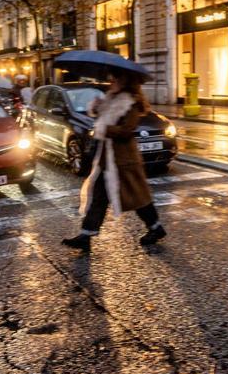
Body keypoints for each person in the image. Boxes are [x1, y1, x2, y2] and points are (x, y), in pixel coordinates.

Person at [62, 69, 168, 250]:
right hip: (108, 158)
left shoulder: (130, 103)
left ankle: (155, 228)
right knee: (99, 197)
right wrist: (96, 108)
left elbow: (128, 130)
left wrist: (106, 129)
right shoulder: (111, 98)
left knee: (137, 197)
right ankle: (86, 236)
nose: (111, 80)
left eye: (116, 78)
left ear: (125, 81)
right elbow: (101, 118)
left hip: (124, 160)